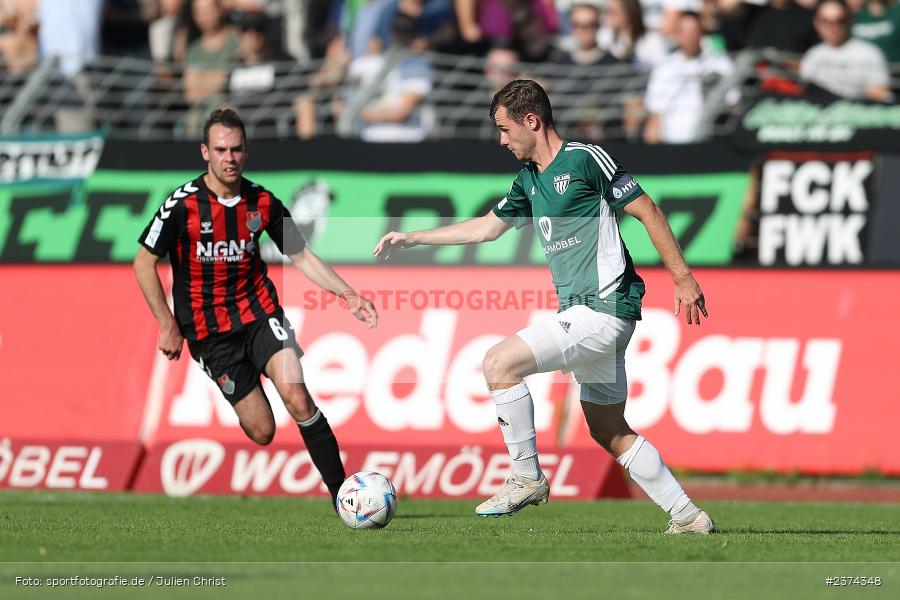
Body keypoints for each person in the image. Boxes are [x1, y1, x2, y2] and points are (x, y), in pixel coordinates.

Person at [373, 79, 714, 534]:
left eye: (504, 128)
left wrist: (683, 277)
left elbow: (646, 209)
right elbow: (485, 230)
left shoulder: (585, 160)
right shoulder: (529, 181)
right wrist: (412, 237)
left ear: (531, 121)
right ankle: (689, 516)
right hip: (591, 316)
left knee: (499, 363)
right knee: (608, 429)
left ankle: (526, 476)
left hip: (602, 309)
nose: (501, 140)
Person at [134, 108, 377, 507]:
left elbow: (302, 255)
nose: (229, 157)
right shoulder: (183, 205)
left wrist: (347, 294)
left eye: (237, 149)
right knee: (262, 430)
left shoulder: (261, 201)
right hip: (209, 335)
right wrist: (166, 323)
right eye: (221, 149)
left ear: (246, 152)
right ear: (205, 153)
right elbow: (143, 262)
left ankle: (345, 497)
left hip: (260, 315)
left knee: (298, 398)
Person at [643, 11, 734, 144]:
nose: (689, 36)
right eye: (685, 32)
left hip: (711, 142)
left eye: (694, 31)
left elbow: (732, 103)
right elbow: (655, 116)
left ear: (701, 33)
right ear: (677, 34)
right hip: (672, 146)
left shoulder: (720, 63)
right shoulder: (664, 68)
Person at [800, 0, 891, 101]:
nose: (833, 27)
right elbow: (805, 91)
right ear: (817, 23)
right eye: (826, 21)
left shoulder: (869, 53)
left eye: (840, 20)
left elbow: (880, 95)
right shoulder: (812, 55)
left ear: (849, 20)